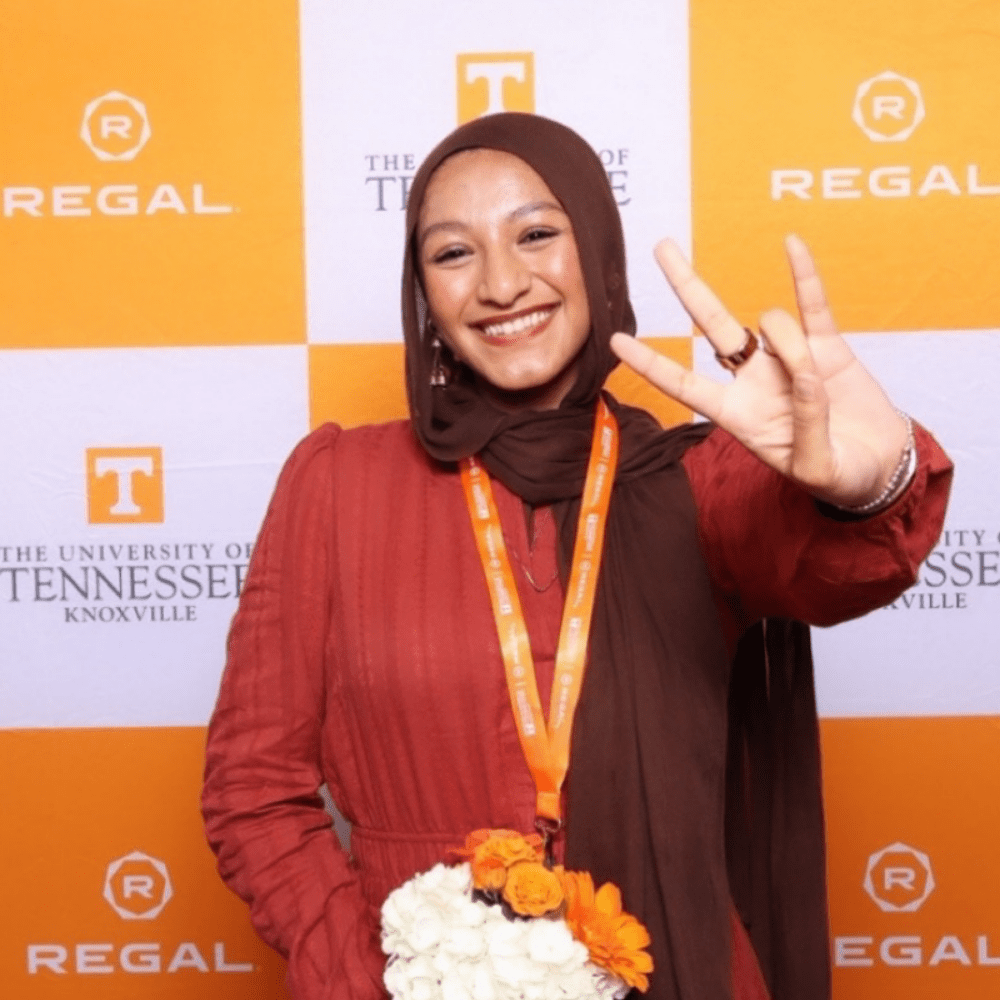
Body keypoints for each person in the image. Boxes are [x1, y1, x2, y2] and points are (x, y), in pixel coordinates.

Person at [201, 113, 952, 1000]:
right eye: (453, 254)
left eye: (536, 234)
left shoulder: (697, 483)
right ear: (424, 295)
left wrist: (868, 480)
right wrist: (363, 974)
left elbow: (842, 566)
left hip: (678, 968)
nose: (502, 283)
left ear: (596, 249)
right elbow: (252, 786)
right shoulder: (337, 484)